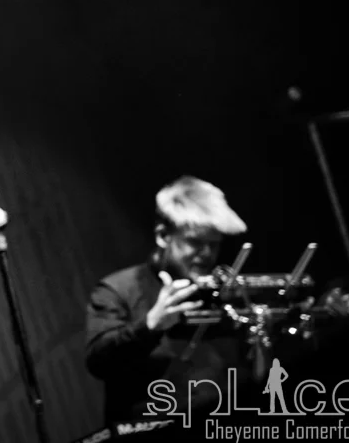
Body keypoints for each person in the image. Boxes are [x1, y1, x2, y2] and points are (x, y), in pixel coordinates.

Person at [84, 176, 250, 425]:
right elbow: (99, 363)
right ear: (163, 236)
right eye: (195, 242)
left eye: (214, 245)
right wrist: (150, 325)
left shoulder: (222, 291)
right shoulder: (118, 290)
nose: (207, 254)